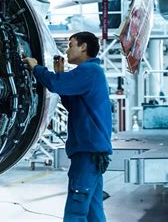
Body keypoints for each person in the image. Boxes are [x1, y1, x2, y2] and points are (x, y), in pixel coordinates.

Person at [23, 31, 112, 222]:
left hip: (88, 153)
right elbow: (71, 102)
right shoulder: (90, 73)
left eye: (71, 45)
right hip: (92, 152)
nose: (67, 50)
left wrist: (36, 68)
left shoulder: (89, 71)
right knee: (93, 209)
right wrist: (61, 75)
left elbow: (56, 85)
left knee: (76, 209)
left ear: (84, 47)